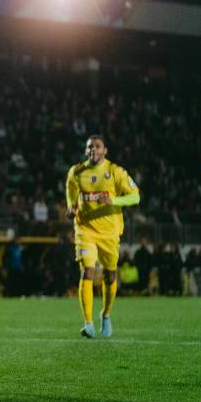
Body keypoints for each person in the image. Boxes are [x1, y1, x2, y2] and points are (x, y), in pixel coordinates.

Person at [66, 135, 140, 338]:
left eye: (97, 146)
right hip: (85, 230)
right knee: (87, 271)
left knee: (110, 276)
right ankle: (88, 323)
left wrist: (114, 200)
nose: (93, 150)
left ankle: (105, 315)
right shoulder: (76, 172)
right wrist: (71, 207)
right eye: (90, 147)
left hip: (109, 231)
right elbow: (71, 192)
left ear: (105, 150)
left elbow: (136, 196)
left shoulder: (115, 172)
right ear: (85, 150)